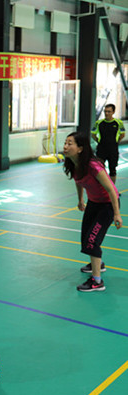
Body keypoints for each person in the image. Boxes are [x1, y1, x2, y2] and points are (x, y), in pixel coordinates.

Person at [63, 132, 122, 291]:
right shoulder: (73, 163)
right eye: (65, 143)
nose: (65, 146)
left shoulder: (93, 166)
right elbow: (78, 181)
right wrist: (80, 199)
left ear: (80, 148)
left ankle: (97, 281)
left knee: (92, 240)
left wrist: (116, 213)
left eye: (70, 143)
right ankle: (98, 264)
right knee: (86, 237)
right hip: (93, 203)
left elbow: (111, 190)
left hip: (107, 205)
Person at [91, 103, 125, 184]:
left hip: (113, 150)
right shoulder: (98, 123)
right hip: (101, 150)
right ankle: (100, 188)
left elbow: (122, 134)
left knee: (112, 170)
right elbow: (93, 134)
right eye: (105, 111)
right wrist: (99, 142)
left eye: (109, 111)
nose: (106, 113)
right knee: (99, 169)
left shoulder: (119, 123)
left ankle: (112, 189)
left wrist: (115, 142)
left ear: (113, 112)